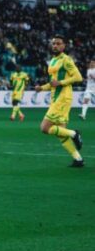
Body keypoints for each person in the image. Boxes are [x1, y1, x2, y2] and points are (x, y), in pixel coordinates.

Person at [37, 36, 83, 166]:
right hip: (55, 97)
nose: (55, 46)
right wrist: (42, 88)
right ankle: (78, 159)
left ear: (64, 46)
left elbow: (78, 77)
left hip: (63, 97)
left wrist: (61, 82)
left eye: (58, 44)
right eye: (53, 44)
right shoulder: (52, 60)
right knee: (60, 133)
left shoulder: (66, 60)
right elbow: (53, 82)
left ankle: (74, 134)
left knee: (45, 127)